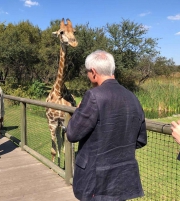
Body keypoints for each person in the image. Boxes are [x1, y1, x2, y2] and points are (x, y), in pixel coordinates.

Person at [66, 50, 147, 201]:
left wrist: (78, 111)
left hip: (96, 182)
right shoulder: (133, 97)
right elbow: (140, 140)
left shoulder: (93, 96)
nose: (88, 75)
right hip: (122, 180)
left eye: (87, 72)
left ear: (94, 72)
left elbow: (72, 134)